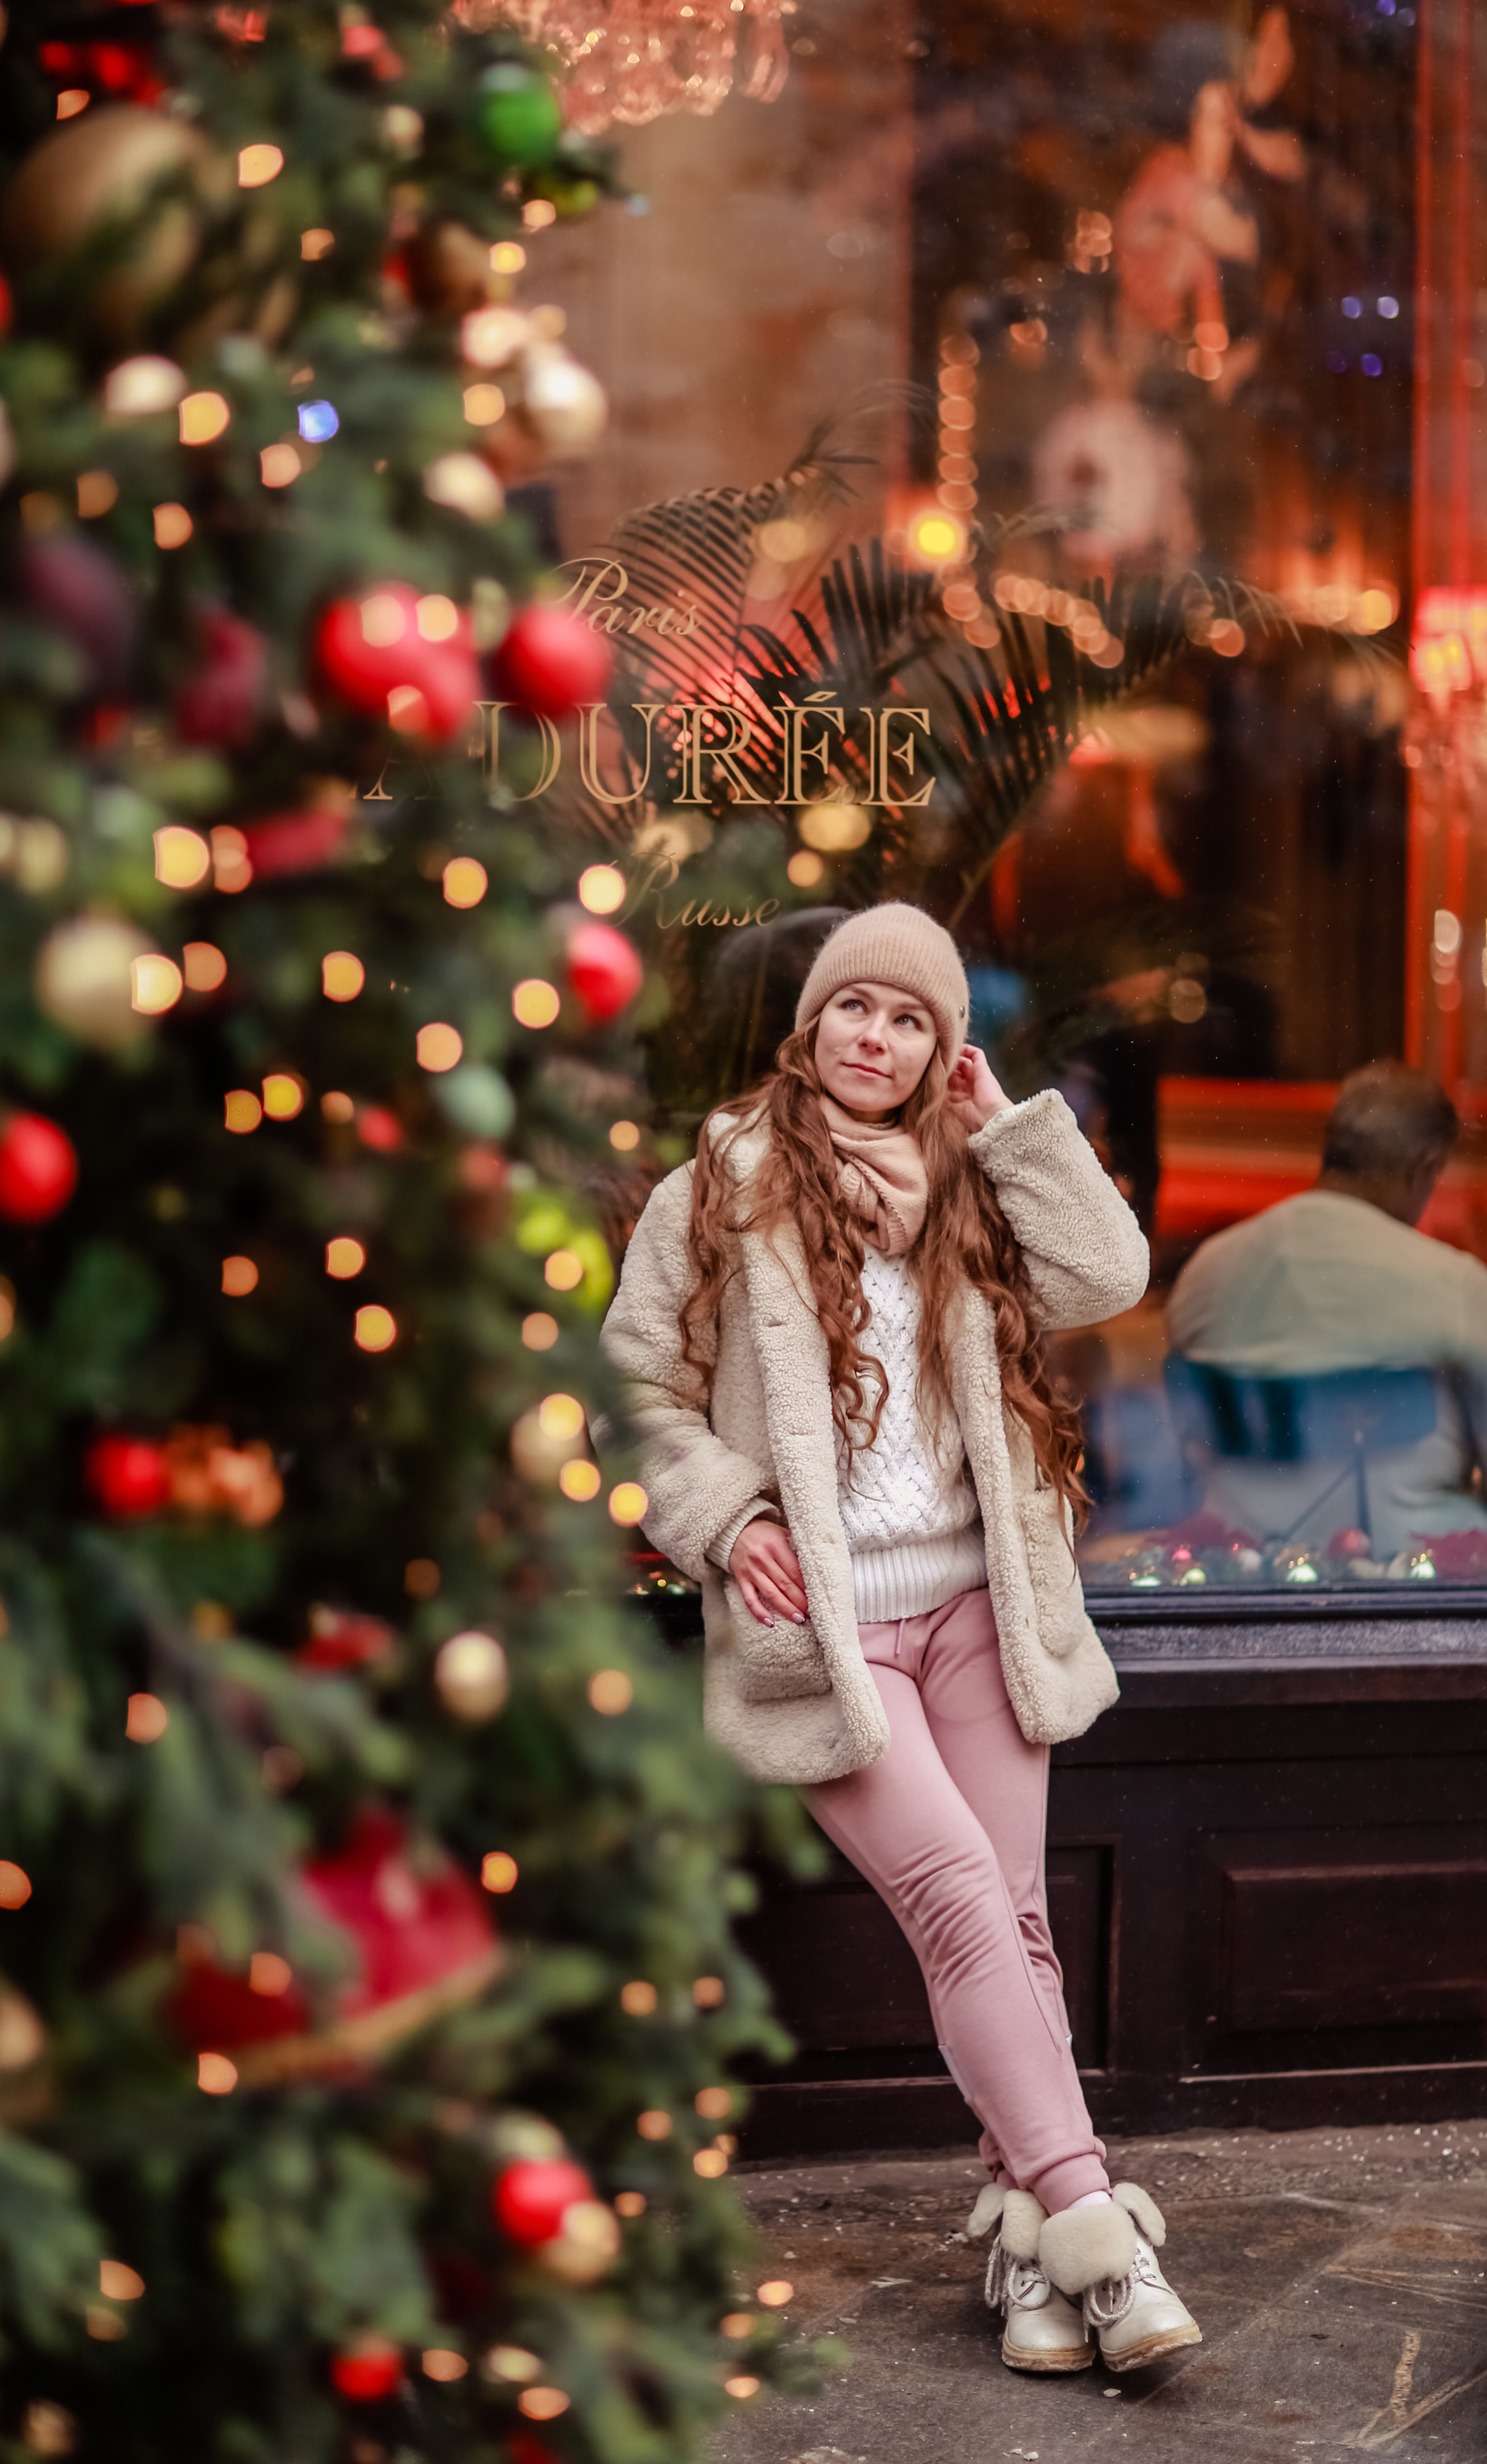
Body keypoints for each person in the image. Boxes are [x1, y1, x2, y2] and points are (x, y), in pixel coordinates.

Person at [603, 903, 1200, 2376]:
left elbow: (1107, 1278)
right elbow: (634, 1390)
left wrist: (1011, 1135)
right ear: (808, 1027)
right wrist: (725, 1516)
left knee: (1013, 1921)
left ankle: (1029, 2270)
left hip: (979, 1612)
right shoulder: (721, 1186)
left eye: (909, 1019)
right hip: (830, 1628)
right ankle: (1093, 2230)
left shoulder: (966, 1183)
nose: (875, 1039)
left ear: (943, 1046)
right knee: (950, 1900)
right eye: (851, 1011)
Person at [1167, 1061, 1487, 1558]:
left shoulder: (1208, 1271)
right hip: (1419, 1576)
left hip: (1239, 1571)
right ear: (1423, 1167)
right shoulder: (1456, 1285)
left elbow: (1182, 1456)